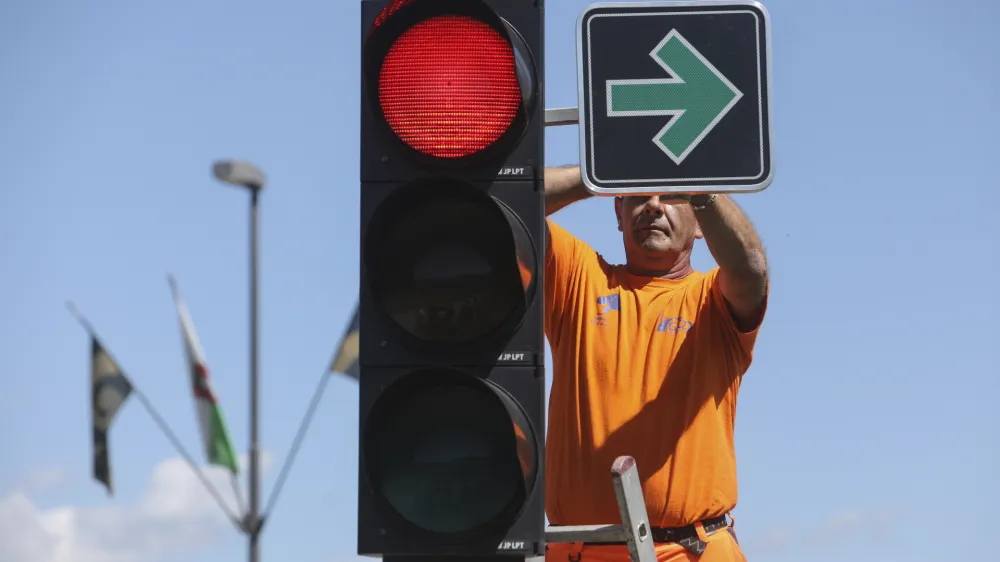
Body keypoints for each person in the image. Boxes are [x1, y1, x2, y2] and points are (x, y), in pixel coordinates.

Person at [541, 165, 769, 562]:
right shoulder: (578, 279)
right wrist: (601, 170)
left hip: (692, 550)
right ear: (618, 213)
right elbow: (501, 200)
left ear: (701, 222)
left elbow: (750, 268)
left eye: (672, 195)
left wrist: (699, 185)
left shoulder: (711, 298)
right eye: (638, 193)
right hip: (580, 552)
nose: (653, 206)